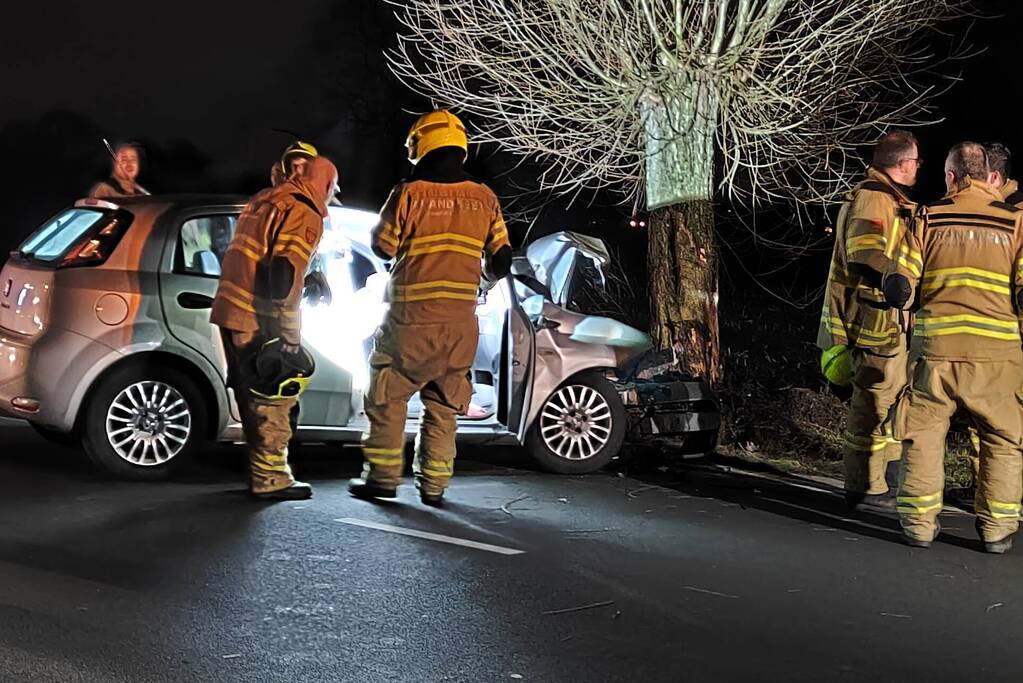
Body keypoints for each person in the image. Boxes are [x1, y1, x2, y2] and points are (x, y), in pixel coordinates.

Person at [348, 110, 512, 506]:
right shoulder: (485, 198)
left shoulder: (408, 192)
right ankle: (435, 486)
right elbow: (503, 258)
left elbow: (381, 247)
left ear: (420, 146)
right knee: (443, 405)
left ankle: (382, 478)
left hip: (411, 322)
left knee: (388, 398)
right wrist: (480, 278)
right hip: (459, 327)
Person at [891, 142, 1023, 553]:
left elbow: (901, 284)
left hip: (937, 350)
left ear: (951, 176)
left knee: (924, 434)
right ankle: (998, 529)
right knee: (1002, 436)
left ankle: (918, 522)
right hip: (998, 354)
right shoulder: (1015, 222)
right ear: (987, 175)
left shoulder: (928, 217)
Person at [211, 155, 339, 501]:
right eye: (332, 189)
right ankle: (271, 478)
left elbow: (263, 257)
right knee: (275, 396)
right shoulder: (303, 211)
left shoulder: (264, 200)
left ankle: (259, 472)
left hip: (230, 307)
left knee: (251, 395)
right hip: (258, 315)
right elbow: (284, 273)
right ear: (325, 185)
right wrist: (290, 335)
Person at [817, 130, 921, 512]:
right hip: (876, 320)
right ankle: (864, 485)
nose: (918, 169)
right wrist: (895, 281)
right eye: (916, 162)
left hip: (890, 322)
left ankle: (882, 481)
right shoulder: (874, 199)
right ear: (904, 164)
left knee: (888, 401)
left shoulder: (888, 198)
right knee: (872, 402)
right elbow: (865, 250)